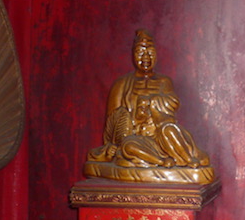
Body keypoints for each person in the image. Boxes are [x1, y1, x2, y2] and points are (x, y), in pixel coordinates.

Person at [87, 29, 209, 169]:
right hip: (139, 141)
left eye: (150, 52)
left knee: (169, 130)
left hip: (161, 137)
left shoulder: (163, 81)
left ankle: (188, 159)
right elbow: (113, 123)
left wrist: (152, 101)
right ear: (133, 54)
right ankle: (161, 162)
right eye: (140, 52)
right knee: (128, 146)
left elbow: (173, 104)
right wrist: (112, 147)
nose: (146, 57)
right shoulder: (121, 84)